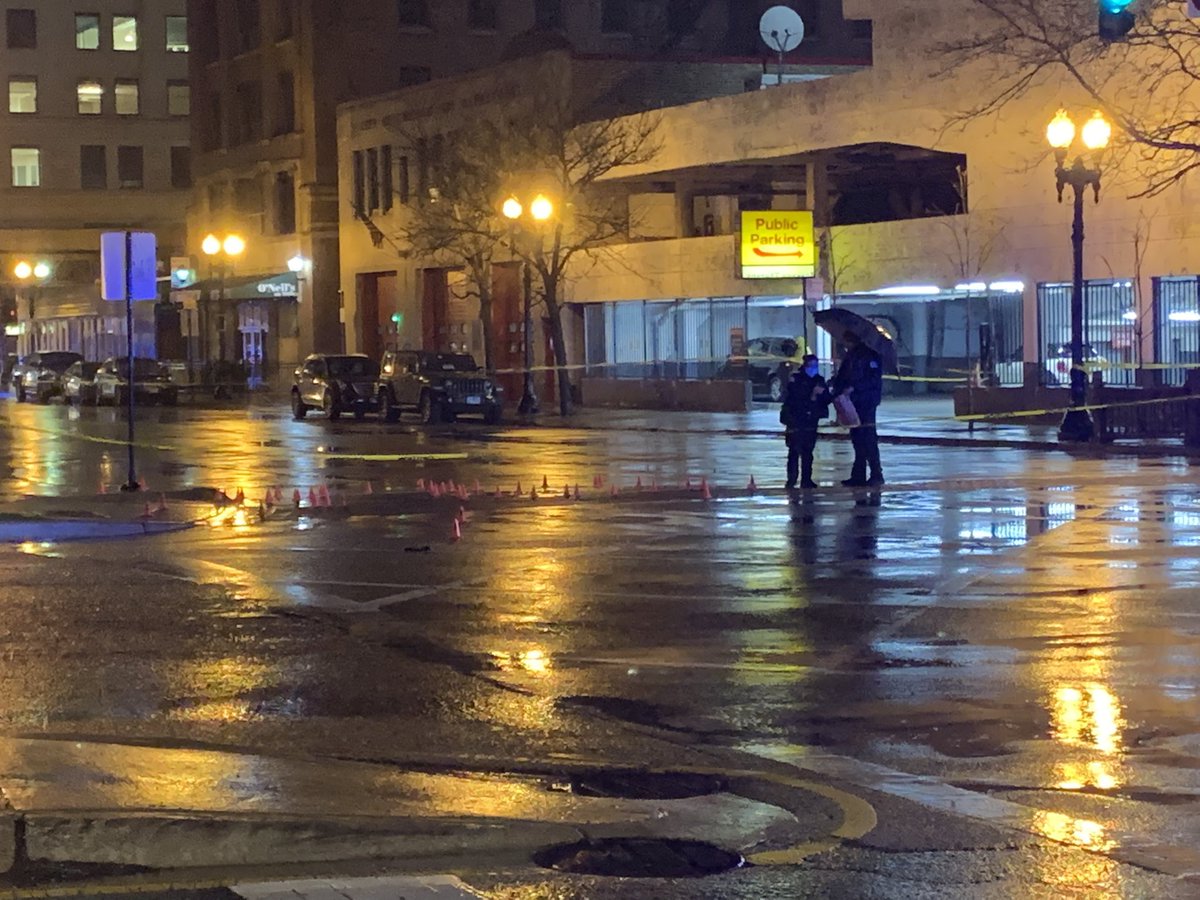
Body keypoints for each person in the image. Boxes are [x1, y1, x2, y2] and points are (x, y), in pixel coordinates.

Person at [831, 331, 884, 487]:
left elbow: (873, 380)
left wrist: (853, 388)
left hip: (866, 402)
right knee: (857, 440)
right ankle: (858, 475)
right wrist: (836, 387)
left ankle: (876, 474)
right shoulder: (851, 356)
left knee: (868, 438)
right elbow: (843, 377)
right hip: (852, 402)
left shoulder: (870, 356)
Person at [779, 353, 829, 489]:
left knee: (808, 452)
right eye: (811, 366)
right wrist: (812, 395)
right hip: (796, 419)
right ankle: (792, 479)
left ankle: (806, 479)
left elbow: (826, 398)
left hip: (811, 420)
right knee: (794, 450)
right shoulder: (796, 379)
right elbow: (794, 398)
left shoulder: (819, 380)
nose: (813, 368)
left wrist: (822, 394)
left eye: (815, 366)